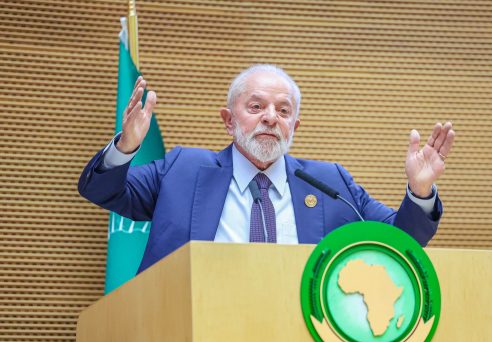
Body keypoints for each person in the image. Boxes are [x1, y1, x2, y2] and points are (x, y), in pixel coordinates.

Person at [78, 64, 455, 274]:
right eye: (256, 107)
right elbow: (102, 191)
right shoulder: (182, 169)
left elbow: (400, 239)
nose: (271, 118)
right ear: (228, 120)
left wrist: (420, 190)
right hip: (191, 332)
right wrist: (126, 146)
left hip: (300, 338)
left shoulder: (329, 182)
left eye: (283, 111)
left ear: (295, 126)